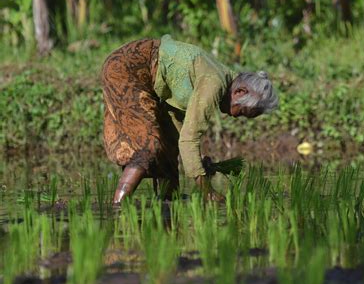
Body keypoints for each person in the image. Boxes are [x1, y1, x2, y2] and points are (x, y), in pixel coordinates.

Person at [101, 35, 278, 204]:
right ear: (240, 92)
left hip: (141, 74)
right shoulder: (213, 83)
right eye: (242, 111)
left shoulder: (218, 76)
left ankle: (167, 204)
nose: (235, 116)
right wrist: (208, 192)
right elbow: (189, 139)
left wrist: (197, 159)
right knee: (149, 146)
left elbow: (180, 130)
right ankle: (117, 206)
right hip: (126, 68)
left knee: (169, 154)